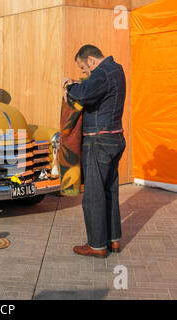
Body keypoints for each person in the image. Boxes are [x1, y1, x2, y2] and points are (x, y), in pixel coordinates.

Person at [62, 44, 126, 258]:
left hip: (98, 140)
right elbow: (93, 90)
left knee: (94, 195)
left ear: (90, 60)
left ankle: (97, 245)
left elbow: (84, 94)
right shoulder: (117, 70)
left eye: (83, 68)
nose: (84, 73)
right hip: (115, 138)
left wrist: (69, 87)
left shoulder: (103, 72)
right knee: (110, 192)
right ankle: (113, 240)